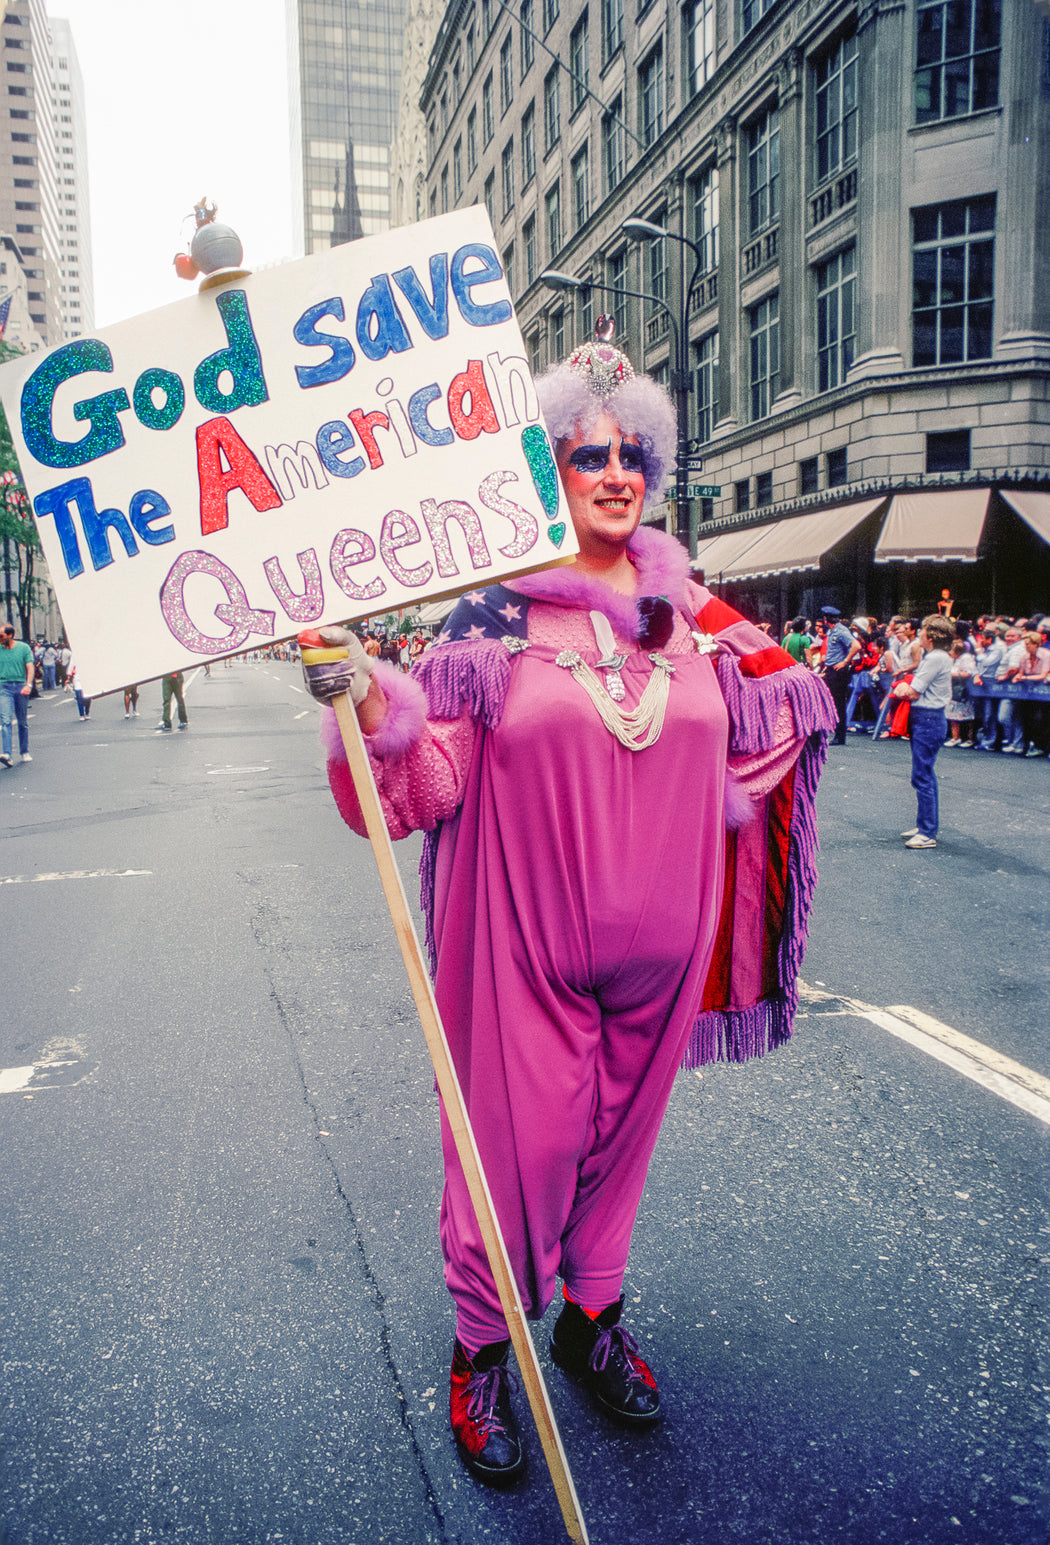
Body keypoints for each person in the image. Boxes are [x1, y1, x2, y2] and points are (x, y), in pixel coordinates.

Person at [301, 335, 837, 1486]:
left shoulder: (687, 609)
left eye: (633, 451)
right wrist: (372, 701)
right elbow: (425, 783)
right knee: (516, 1151)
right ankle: (482, 1345)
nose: (615, 470)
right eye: (586, 452)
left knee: (619, 1150)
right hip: (522, 948)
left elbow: (771, 725)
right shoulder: (491, 621)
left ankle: (592, 1320)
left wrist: (713, 817)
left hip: (664, 948)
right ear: (548, 471)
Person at [892, 613, 954, 848]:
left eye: (923, 630)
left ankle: (927, 832)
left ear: (931, 635)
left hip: (927, 717)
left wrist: (899, 687)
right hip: (930, 717)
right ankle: (925, 825)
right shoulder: (938, 656)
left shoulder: (934, 658)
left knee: (922, 775)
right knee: (925, 773)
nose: (919, 633)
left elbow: (912, 691)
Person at [821, 605, 859, 744]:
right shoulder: (832, 631)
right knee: (830, 701)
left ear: (826, 619)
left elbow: (856, 645)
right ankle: (834, 731)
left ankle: (840, 735)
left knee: (838, 704)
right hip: (831, 670)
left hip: (838, 672)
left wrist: (845, 661)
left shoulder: (841, 631)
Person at [0, 623, 34, 766]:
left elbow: (30, 667)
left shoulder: (23, 648)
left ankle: (24, 751)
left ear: (10, 635)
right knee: (5, 720)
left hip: (21, 686)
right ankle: (7, 754)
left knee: (22, 722)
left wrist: (29, 684)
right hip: (4, 687)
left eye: (1, 636)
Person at [944, 640, 975, 745]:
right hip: (953, 687)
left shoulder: (966, 658)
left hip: (964, 689)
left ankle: (969, 739)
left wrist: (951, 674)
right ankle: (955, 737)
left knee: (967, 715)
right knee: (953, 714)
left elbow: (968, 673)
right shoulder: (953, 659)